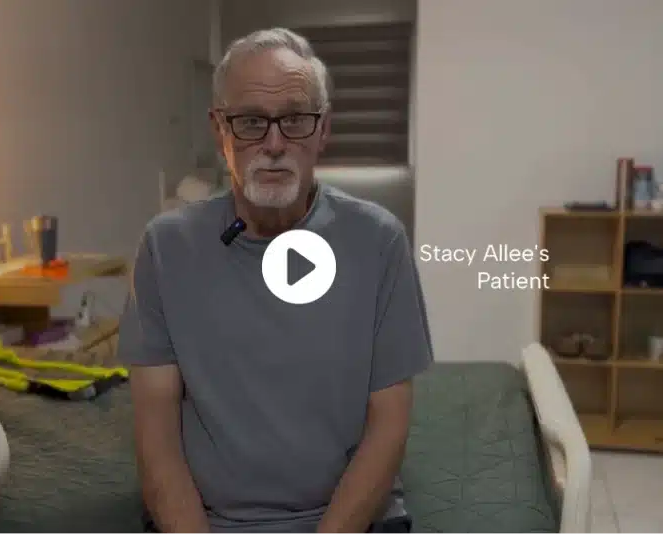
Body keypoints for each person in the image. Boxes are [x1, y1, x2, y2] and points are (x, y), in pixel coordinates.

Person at [118, 27, 433, 534]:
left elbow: (389, 429)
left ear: (324, 130)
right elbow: (157, 445)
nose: (273, 144)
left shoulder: (379, 241)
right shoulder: (165, 247)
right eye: (249, 122)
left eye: (295, 120)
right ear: (220, 131)